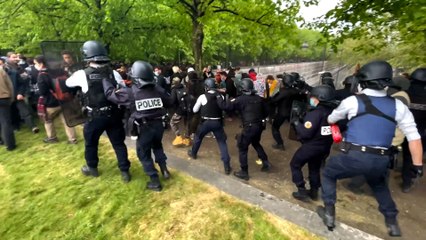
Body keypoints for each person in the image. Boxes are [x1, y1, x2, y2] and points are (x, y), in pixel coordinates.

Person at [318, 60, 423, 237]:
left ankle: (329, 213)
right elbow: (414, 137)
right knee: (379, 184)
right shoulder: (398, 106)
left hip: (353, 156)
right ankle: (392, 222)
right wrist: (418, 165)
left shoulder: (352, 101)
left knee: (328, 173)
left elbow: (331, 119)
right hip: (381, 159)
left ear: (363, 82)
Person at [65, 40, 131, 183]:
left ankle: (92, 168)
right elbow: (122, 89)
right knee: (119, 143)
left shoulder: (82, 74)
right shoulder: (114, 73)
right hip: (114, 115)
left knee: (91, 143)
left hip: (95, 117)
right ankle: (125, 171)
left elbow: (67, 83)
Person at [103, 61, 173, 191]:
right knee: (157, 146)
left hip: (144, 128)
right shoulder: (158, 89)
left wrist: (105, 79)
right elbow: (169, 101)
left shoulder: (130, 92)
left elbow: (110, 95)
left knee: (143, 153)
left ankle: (154, 181)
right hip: (159, 125)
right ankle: (165, 171)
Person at [290, 85, 336, 201]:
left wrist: (296, 123)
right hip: (324, 147)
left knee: (295, 164)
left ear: (320, 98)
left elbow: (305, 133)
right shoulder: (332, 112)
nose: (311, 99)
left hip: (312, 146)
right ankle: (314, 191)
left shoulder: (315, 113)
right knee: (314, 168)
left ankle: (301, 190)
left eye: (313, 97)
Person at [218, 78, 270, 180]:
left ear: (242, 88)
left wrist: (219, 97)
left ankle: (244, 172)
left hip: (250, 127)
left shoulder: (240, 99)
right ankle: (266, 162)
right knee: (256, 143)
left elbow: (225, 106)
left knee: (242, 147)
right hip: (259, 126)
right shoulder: (259, 98)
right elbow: (266, 112)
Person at [187, 78, 232, 175]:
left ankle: (193, 153)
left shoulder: (203, 96)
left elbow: (195, 110)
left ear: (206, 87)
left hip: (205, 122)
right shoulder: (220, 96)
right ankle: (227, 165)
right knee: (222, 142)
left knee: (198, 137)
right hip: (217, 122)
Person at [35, 55, 77, 144]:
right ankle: (72, 139)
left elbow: (42, 91)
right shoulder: (60, 71)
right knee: (67, 121)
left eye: (36, 63)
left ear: (41, 64)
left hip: (51, 103)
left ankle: (52, 137)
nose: (35, 65)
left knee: (48, 120)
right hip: (64, 100)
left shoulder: (42, 75)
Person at [402, 68, 426, 192]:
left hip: (402, 131)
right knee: (412, 157)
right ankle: (407, 182)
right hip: (421, 133)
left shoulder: (405, 94)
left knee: (405, 154)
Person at [0, 68, 16, 150]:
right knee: (5, 121)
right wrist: (11, 97)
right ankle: (10, 144)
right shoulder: (0, 70)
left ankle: (2, 140)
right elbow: (10, 85)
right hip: (3, 97)